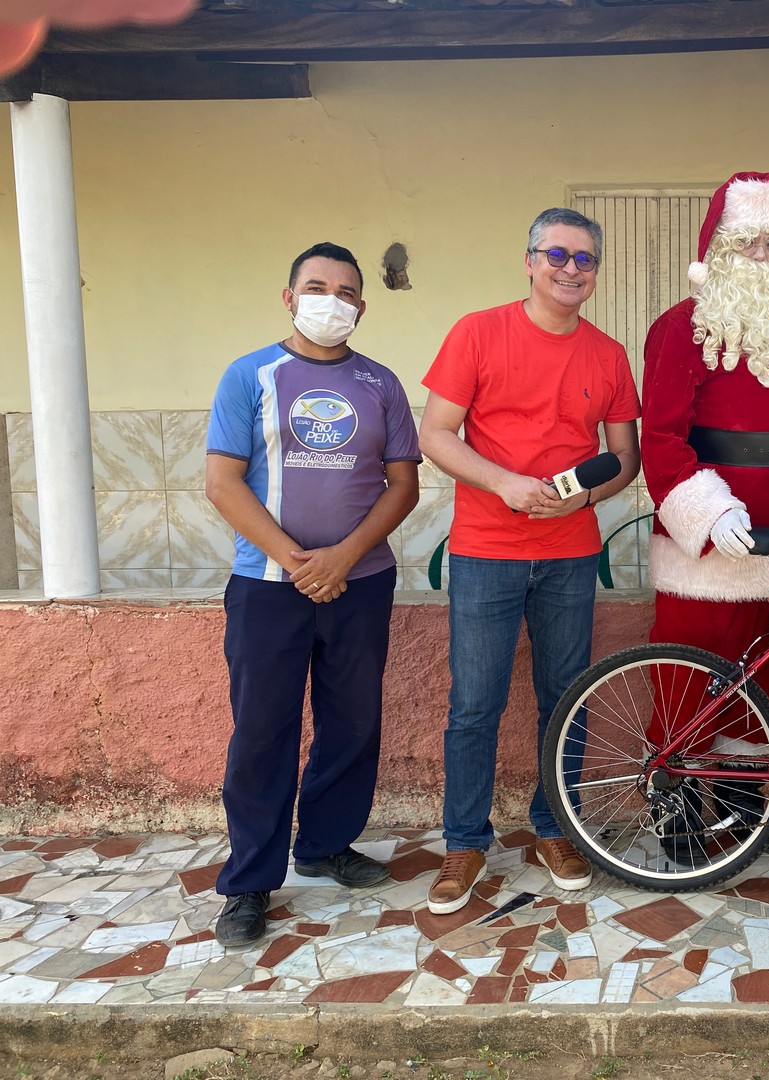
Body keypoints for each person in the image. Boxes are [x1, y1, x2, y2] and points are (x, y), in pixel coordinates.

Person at [419, 208, 641, 911]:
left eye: (585, 259)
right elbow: (436, 433)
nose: (571, 268)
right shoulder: (477, 332)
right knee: (474, 705)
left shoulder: (608, 355)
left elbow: (625, 457)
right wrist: (505, 484)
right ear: (530, 261)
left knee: (565, 699)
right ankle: (464, 842)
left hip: (570, 553)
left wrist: (582, 499)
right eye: (557, 254)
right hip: (486, 550)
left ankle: (556, 828)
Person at [205, 241, 421, 947]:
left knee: (352, 722)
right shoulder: (250, 375)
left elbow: (403, 484)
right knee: (261, 731)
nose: (333, 301)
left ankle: (326, 845)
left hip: (361, 582)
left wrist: (344, 557)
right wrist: (294, 560)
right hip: (268, 586)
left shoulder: (380, 383)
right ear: (289, 297)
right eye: (318, 287)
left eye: (347, 291)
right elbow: (222, 482)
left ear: (362, 306)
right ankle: (249, 882)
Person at [641, 172, 769, 858]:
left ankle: (750, 811)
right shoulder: (678, 328)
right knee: (690, 681)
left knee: (768, 682)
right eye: (749, 243)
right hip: (710, 550)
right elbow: (661, 440)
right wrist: (711, 513)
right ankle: (680, 813)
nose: (763, 257)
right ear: (718, 248)